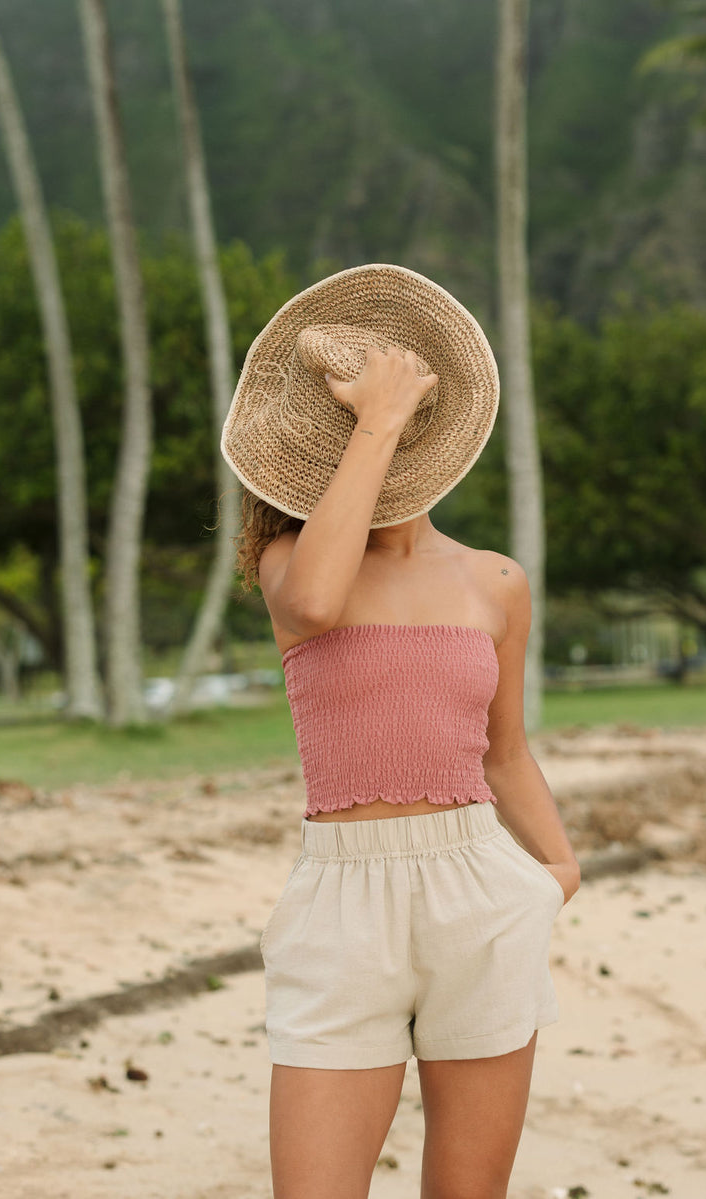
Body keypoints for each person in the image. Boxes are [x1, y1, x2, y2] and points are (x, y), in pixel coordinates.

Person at [221, 263, 581, 1199]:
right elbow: (315, 602)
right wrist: (375, 421)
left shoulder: (493, 581)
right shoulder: (287, 559)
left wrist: (557, 867)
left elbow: (505, 752)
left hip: (478, 895)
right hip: (340, 908)